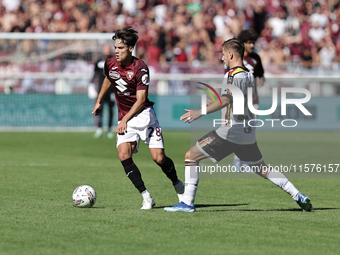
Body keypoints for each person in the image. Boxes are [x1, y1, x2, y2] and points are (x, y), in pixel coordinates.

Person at [164, 38, 312, 212]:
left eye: (223, 54)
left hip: (230, 132)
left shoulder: (232, 75)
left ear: (231, 54)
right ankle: (298, 195)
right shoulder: (249, 73)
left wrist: (199, 112)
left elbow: (226, 100)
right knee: (263, 169)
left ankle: (187, 203)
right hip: (247, 133)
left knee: (191, 156)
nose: (222, 58)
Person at [92, 26, 184, 209]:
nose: (116, 51)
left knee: (158, 158)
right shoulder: (110, 64)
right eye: (115, 47)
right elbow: (109, 79)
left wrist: (125, 120)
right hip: (125, 117)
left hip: (144, 116)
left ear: (131, 48)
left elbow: (141, 100)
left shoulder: (140, 68)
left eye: (120, 48)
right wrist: (99, 100)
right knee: (123, 154)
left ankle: (177, 183)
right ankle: (146, 196)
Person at [232, 29, 265, 171]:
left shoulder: (256, 58)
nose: (252, 45)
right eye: (249, 42)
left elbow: (261, 75)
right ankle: (236, 159)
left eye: (253, 42)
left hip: (253, 100)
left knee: (250, 131)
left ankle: (246, 162)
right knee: (238, 129)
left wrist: (262, 80)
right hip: (238, 100)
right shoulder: (235, 59)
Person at [89, 43, 116, 139]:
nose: (107, 50)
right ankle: (99, 128)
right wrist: (91, 85)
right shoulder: (99, 61)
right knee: (99, 109)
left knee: (111, 109)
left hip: (112, 90)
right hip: (101, 90)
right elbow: (94, 74)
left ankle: (109, 129)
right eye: (106, 48)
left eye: (108, 48)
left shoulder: (115, 61)